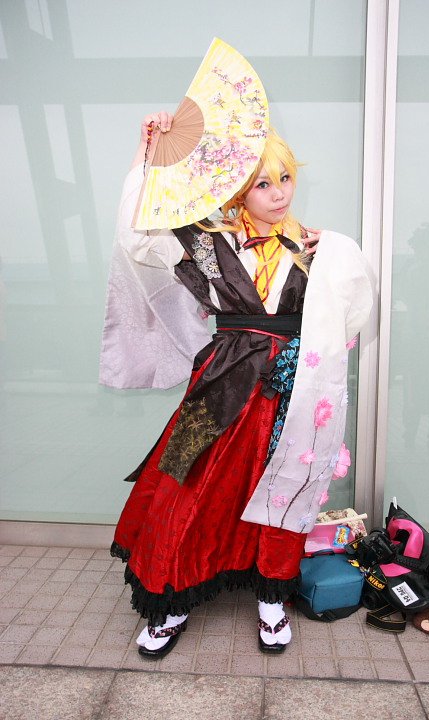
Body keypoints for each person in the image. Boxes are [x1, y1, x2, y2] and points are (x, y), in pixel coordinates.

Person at [100, 111, 373, 659]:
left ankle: (272, 596)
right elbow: (138, 231)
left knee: (285, 491)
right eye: (263, 184)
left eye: (285, 178)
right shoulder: (207, 243)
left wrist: (338, 251)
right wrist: (148, 148)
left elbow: (354, 314)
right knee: (192, 487)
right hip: (222, 382)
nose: (279, 193)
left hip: (294, 385)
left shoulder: (318, 246)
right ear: (238, 192)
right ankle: (173, 596)